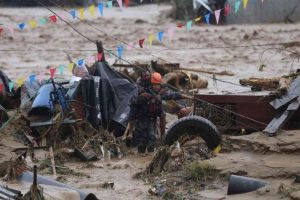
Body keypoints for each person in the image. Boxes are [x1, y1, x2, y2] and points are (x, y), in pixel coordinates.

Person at [124, 72, 192, 154]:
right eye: (154, 85)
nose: (156, 86)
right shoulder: (143, 91)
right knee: (141, 142)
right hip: (141, 119)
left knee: (152, 138)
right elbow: (133, 106)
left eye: (158, 85)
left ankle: (150, 155)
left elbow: (174, 95)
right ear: (151, 84)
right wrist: (143, 98)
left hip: (152, 119)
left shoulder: (160, 94)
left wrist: (190, 97)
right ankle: (132, 135)